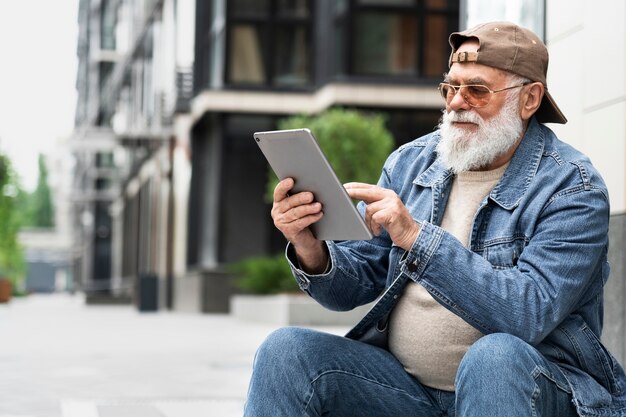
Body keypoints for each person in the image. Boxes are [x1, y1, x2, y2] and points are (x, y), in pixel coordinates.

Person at [244, 21, 626, 417]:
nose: (458, 102)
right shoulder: (411, 163)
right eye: (450, 88)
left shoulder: (572, 187)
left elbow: (528, 314)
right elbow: (348, 291)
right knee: (285, 352)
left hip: (529, 388)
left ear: (529, 100)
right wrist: (311, 246)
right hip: (407, 391)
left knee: (494, 358)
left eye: (477, 90)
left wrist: (415, 237)